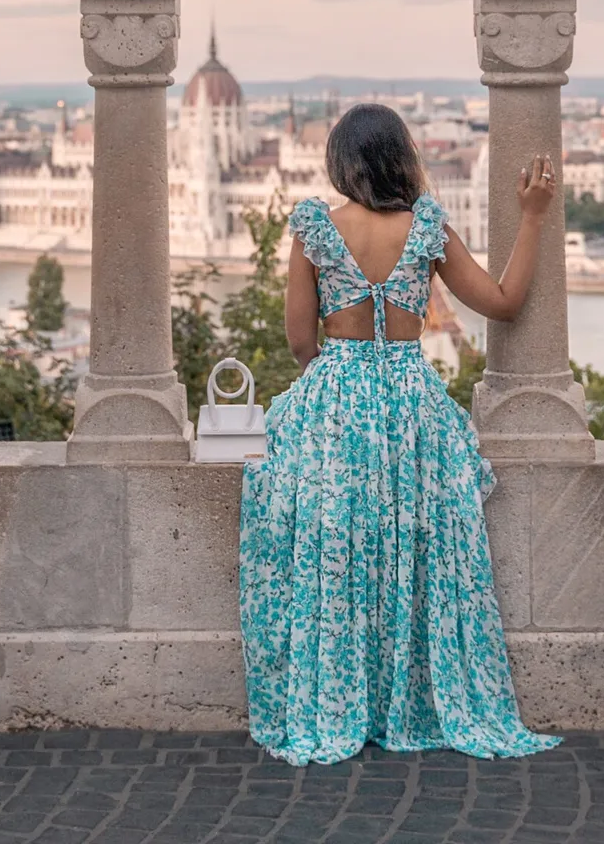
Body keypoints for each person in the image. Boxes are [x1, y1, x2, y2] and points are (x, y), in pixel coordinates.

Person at [239, 102, 562, 766]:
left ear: (342, 163)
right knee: (416, 563)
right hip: (413, 406)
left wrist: (334, 374)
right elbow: (502, 301)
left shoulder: (313, 229)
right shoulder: (427, 229)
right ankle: (413, 700)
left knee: (335, 559)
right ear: (401, 158)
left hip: (335, 401)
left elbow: (300, 339)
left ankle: (335, 699)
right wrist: (531, 217)